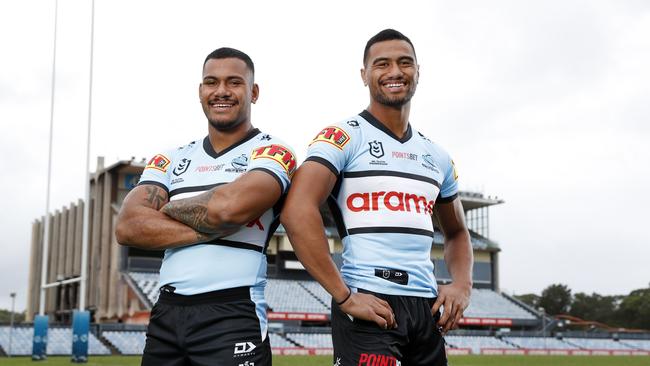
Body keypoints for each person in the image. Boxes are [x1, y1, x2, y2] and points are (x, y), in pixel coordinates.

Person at [280, 29, 473, 365]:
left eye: (405, 63)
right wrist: (343, 296)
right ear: (364, 74)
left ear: (417, 72)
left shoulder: (437, 156)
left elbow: (457, 231)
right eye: (382, 64)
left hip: (426, 308)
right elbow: (297, 210)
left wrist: (462, 285)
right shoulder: (342, 138)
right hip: (370, 301)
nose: (395, 72)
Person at [115, 47, 296, 366]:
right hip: (167, 315)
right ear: (201, 91)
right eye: (211, 82)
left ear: (253, 92)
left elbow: (229, 209)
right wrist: (215, 225)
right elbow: (128, 226)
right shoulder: (171, 158)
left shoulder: (272, 151)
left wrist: (167, 210)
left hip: (233, 312)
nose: (221, 91)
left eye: (234, 82)